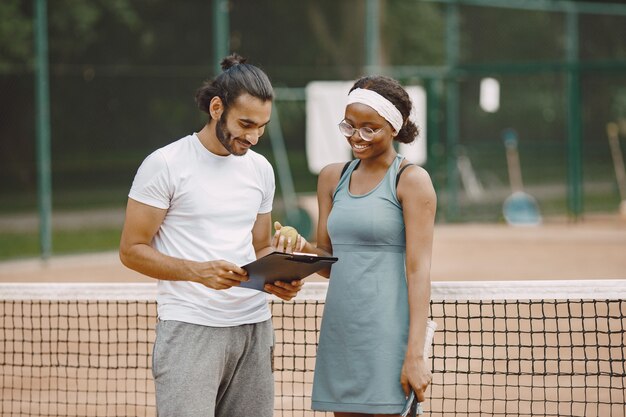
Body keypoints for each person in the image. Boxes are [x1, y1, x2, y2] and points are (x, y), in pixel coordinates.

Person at [119, 53, 303, 417]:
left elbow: (260, 245)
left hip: (254, 327)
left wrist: (282, 279)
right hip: (190, 328)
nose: (253, 136)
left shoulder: (261, 170)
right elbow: (131, 250)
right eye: (245, 123)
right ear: (217, 108)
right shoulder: (166, 164)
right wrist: (196, 271)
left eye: (262, 127)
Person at [302, 75, 437, 416]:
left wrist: (415, 353)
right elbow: (328, 262)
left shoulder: (412, 180)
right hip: (342, 332)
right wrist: (296, 247)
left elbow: (419, 270)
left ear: (393, 128)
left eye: (369, 129)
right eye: (349, 126)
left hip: (389, 335)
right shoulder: (331, 178)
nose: (356, 138)